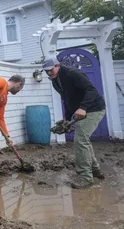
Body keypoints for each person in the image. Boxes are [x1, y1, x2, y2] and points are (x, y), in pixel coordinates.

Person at [42, 58, 106, 189]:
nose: (49, 73)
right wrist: (67, 119)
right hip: (80, 110)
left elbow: (91, 90)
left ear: (58, 65)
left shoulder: (73, 74)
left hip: (94, 108)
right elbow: (67, 100)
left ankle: (85, 178)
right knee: (83, 139)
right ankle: (95, 170)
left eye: (51, 70)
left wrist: (83, 107)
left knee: (80, 139)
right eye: (46, 72)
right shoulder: (56, 82)